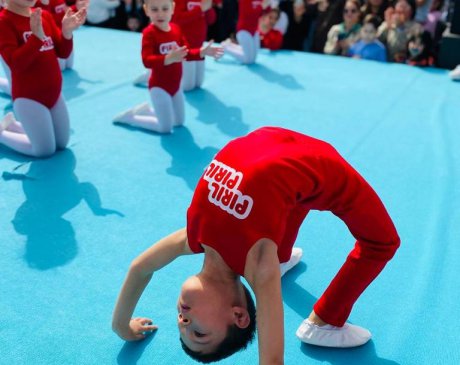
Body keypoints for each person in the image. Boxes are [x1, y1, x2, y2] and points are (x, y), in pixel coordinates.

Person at [112, 127, 400, 363]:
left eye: (179, 324)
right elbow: (272, 360)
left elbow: (140, 267)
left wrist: (122, 327)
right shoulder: (260, 266)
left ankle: (284, 257)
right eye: (198, 333)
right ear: (238, 315)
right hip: (320, 168)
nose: (183, 321)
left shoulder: (195, 236)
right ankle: (324, 322)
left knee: (283, 198)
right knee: (383, 242)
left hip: (281, 146)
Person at [113, 0, 223, 134]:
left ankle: (148, 110)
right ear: (147, 10)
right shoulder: (149, 33)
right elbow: (147, 61)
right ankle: (130, 117)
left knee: (178, 122)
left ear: (172, 9)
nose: (160, 14)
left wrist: (201, 52)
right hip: (159, 87)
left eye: (165, 9)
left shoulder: (176, 30)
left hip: (175, 87)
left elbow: (187, 53)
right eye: (154, 10)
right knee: (165, 128)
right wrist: (168, 58)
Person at [0, 0, 87, 157]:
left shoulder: (43, 15)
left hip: (54, 95)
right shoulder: (4, 22)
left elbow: (62, 52)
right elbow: (15, 64)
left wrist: (67, 32)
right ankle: (2, 134)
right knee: (44, 150)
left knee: (61, 144)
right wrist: (36, 37)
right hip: (29, 98)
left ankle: (12, 125)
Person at [172, 0, 216, 91]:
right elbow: (177, 19)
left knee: (198, 84)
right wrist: (200, 9)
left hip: (199, 47)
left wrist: (208, 8)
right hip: (185, 47)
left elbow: (211, 20)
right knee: (187, 86)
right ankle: (157, 75)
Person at [36, 0, 89, 70]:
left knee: (69, 65)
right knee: (61, 68)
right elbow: (46, 19)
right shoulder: (42, 2)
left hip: (65, 34)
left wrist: (77, 8)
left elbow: (66, 11)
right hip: (54, 38)